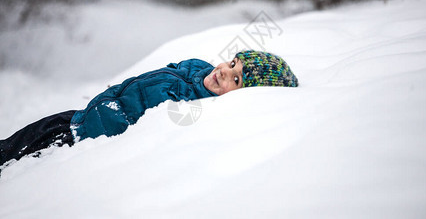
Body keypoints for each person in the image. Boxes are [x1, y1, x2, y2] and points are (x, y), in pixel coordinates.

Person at [0, 50, 298, 168]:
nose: (224, 72)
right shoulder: (198, 67)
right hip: (81, 114)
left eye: (236, 79)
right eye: (233, 64)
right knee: (14, 143)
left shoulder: (197, 108)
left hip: (82, 138)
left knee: (20, 158)